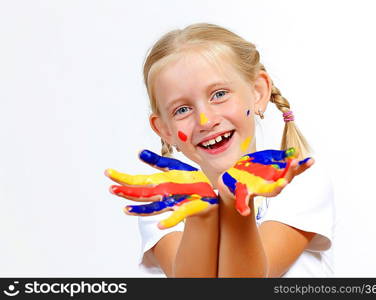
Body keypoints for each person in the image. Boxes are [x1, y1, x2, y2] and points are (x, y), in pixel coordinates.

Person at [106, 23, 335, 277]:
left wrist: (233, 200)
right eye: (182, 110)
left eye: (219, 94)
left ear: (257, 92)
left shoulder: (299, 182)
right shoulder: (171, 202)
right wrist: (201, 217)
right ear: (165, 130)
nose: (205, 121)